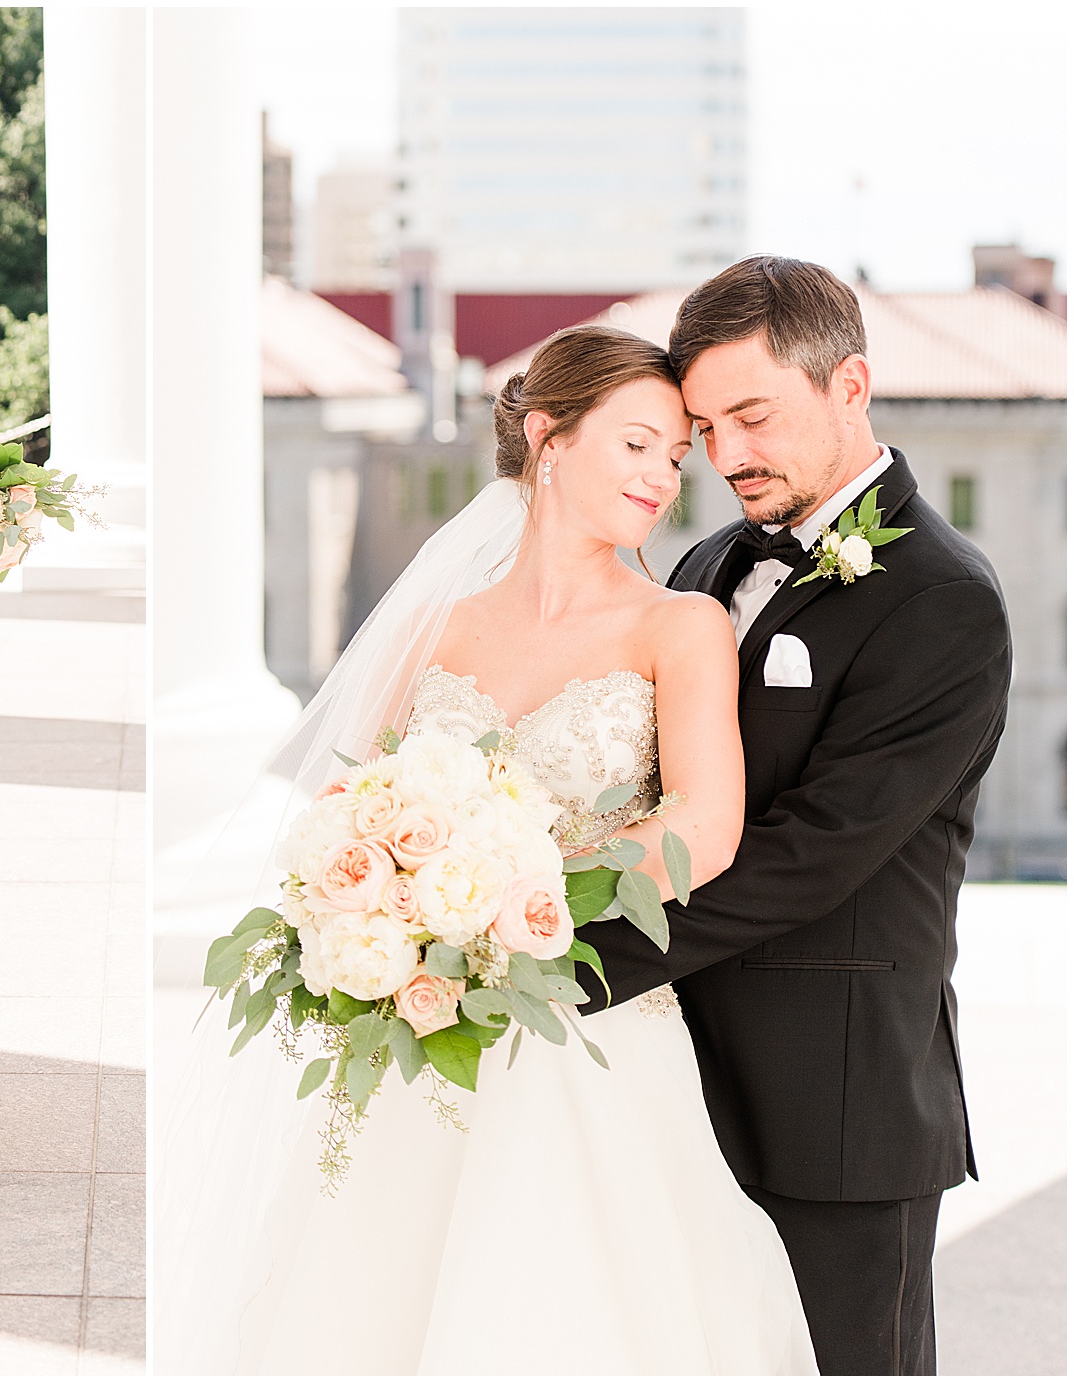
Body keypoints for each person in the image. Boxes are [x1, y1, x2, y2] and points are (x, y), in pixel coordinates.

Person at [155, 325, 817, 1373]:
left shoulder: (677, 626)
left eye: (675, 459)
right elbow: (348, 803)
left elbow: (706, 824)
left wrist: (523, 896)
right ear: (549, 438)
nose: (663, 476)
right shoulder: (437, 626)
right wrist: (385, 901)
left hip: (583, 1026)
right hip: (421, 1028)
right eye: (639, 444)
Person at [575, 256, 1011, 1376]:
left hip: (840, 1108)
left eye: (752, 418)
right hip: (673, 1085)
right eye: (704, 428)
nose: (725, 459)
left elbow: (812, 856)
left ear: (848, 383)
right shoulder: (709, 562)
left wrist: (569, 963)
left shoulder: (945, 601)